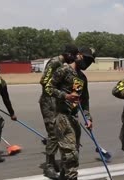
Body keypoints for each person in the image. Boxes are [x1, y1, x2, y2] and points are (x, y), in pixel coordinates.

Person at [44, 47, 95, 180]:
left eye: (90, 62)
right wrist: (65, 96)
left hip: (73, 118)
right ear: (78, 56)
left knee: (72, 154)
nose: (87, 64)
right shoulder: (64, 70)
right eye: (86, 59)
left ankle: (63, 176)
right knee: (71, 156)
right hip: (62, 117)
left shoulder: (82, 78)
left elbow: (84, 101)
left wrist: (88, 118)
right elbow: (49, 88)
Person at [39, 44, 79, 179]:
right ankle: (49, 166)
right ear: (68, 54)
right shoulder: (56, 62)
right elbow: (44, 81)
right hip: (49, 101)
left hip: (56, 101)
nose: (74, 59)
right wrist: (61, 94)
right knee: (52, 133)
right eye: (73, 56)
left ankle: (56, 164)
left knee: (57, 132)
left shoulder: (63, 64)